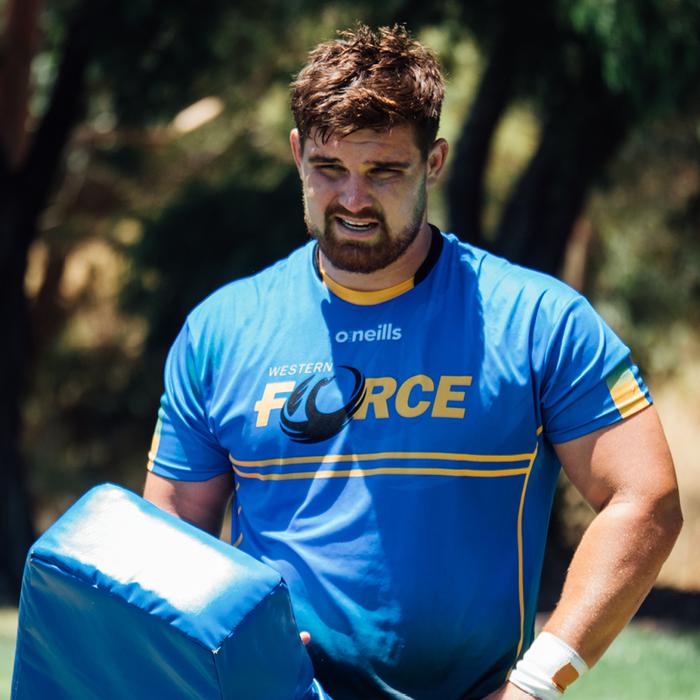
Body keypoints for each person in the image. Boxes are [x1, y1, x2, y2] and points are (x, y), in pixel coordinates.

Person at [143, 24, 682, 700]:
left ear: (434, 162)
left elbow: (646, 499)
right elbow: (172, 528)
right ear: (297, 154)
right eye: (329, 168)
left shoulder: (538, 320)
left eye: (383, 172)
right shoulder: (220, 330)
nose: (353, 200)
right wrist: (220, 642)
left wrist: (537, 684)